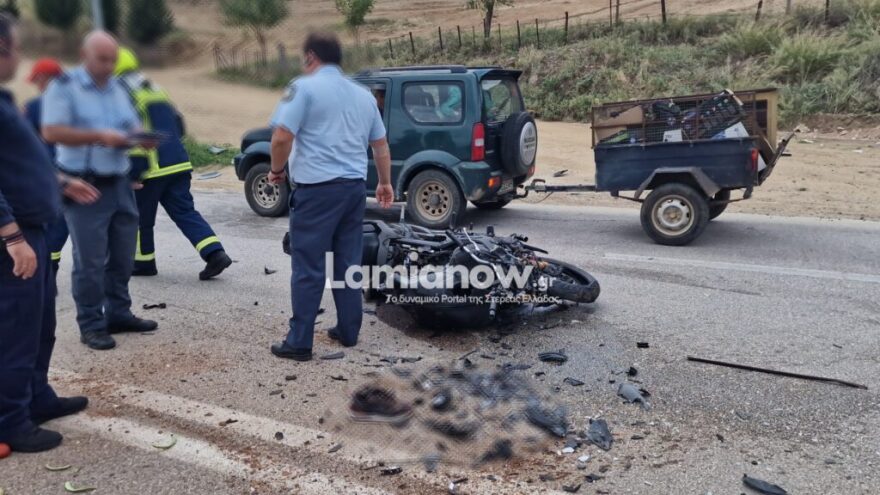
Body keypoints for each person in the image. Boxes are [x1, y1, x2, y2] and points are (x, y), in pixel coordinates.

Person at [268, 32, 394, 362]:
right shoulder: (363, 95)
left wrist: (277, 170)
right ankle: (349, 331)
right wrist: (384, 183)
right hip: (353, 190)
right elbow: (380, 146)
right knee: (348, 262)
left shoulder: (303, 88)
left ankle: (299, 342)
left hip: (316, 191)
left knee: (308, 266)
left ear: (311, 56)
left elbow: (281, 138)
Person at [0, 13, 92, 454]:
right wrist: (12, 237)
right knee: (15, 332)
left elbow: (19, 164)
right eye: (16, 48)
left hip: (32, 228)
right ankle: (10, 422)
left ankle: (37, 397)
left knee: (39, 325)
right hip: (13, 238)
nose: (19, 57)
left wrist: (60, 181)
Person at [42, 31, 158, 351]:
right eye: (102, 59)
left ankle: (118, 314)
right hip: (85, 184)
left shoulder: (118, 88)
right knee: (90, 262)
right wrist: (98, 136)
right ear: (84, 55)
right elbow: (51, 131)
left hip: (120, 181)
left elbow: (130, 124)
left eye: (112, 60)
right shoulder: (64, 87)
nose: (108, 66)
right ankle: (91, 323)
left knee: (122, 255)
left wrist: (140, 137)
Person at [115, 47, 232, 280]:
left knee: (139, 217)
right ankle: (215, 253)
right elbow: (178, 123)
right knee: (185, 212)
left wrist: (133, 172)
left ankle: (143, 263)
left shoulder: (121, 91)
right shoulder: (154, 88)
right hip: (178, 162)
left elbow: (130, 133)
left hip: (151, 166)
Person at [23, 57, 69, 276]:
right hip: (76, 173)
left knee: (52, 226)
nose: (36, 85)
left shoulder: (34, 107)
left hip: (46, 174)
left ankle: (46, 271)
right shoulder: (75, 104)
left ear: (44, 79)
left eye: (37, 80)